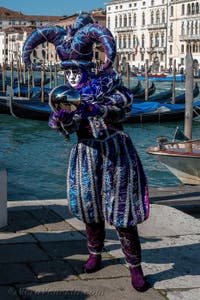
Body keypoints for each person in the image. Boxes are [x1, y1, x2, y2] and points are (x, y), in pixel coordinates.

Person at [22, 13, 150, 292]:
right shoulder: (67, 92)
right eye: (67, 73)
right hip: (86, 153)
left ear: (89, 67)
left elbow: (123, 105)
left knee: (122, 212)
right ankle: (94, 253)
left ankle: (135, 267)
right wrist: (64, 119)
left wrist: (96, 108)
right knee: (90, 208)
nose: (72, 78)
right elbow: (62, 127)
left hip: (116, 154)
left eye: (76, 72)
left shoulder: (110, 84)